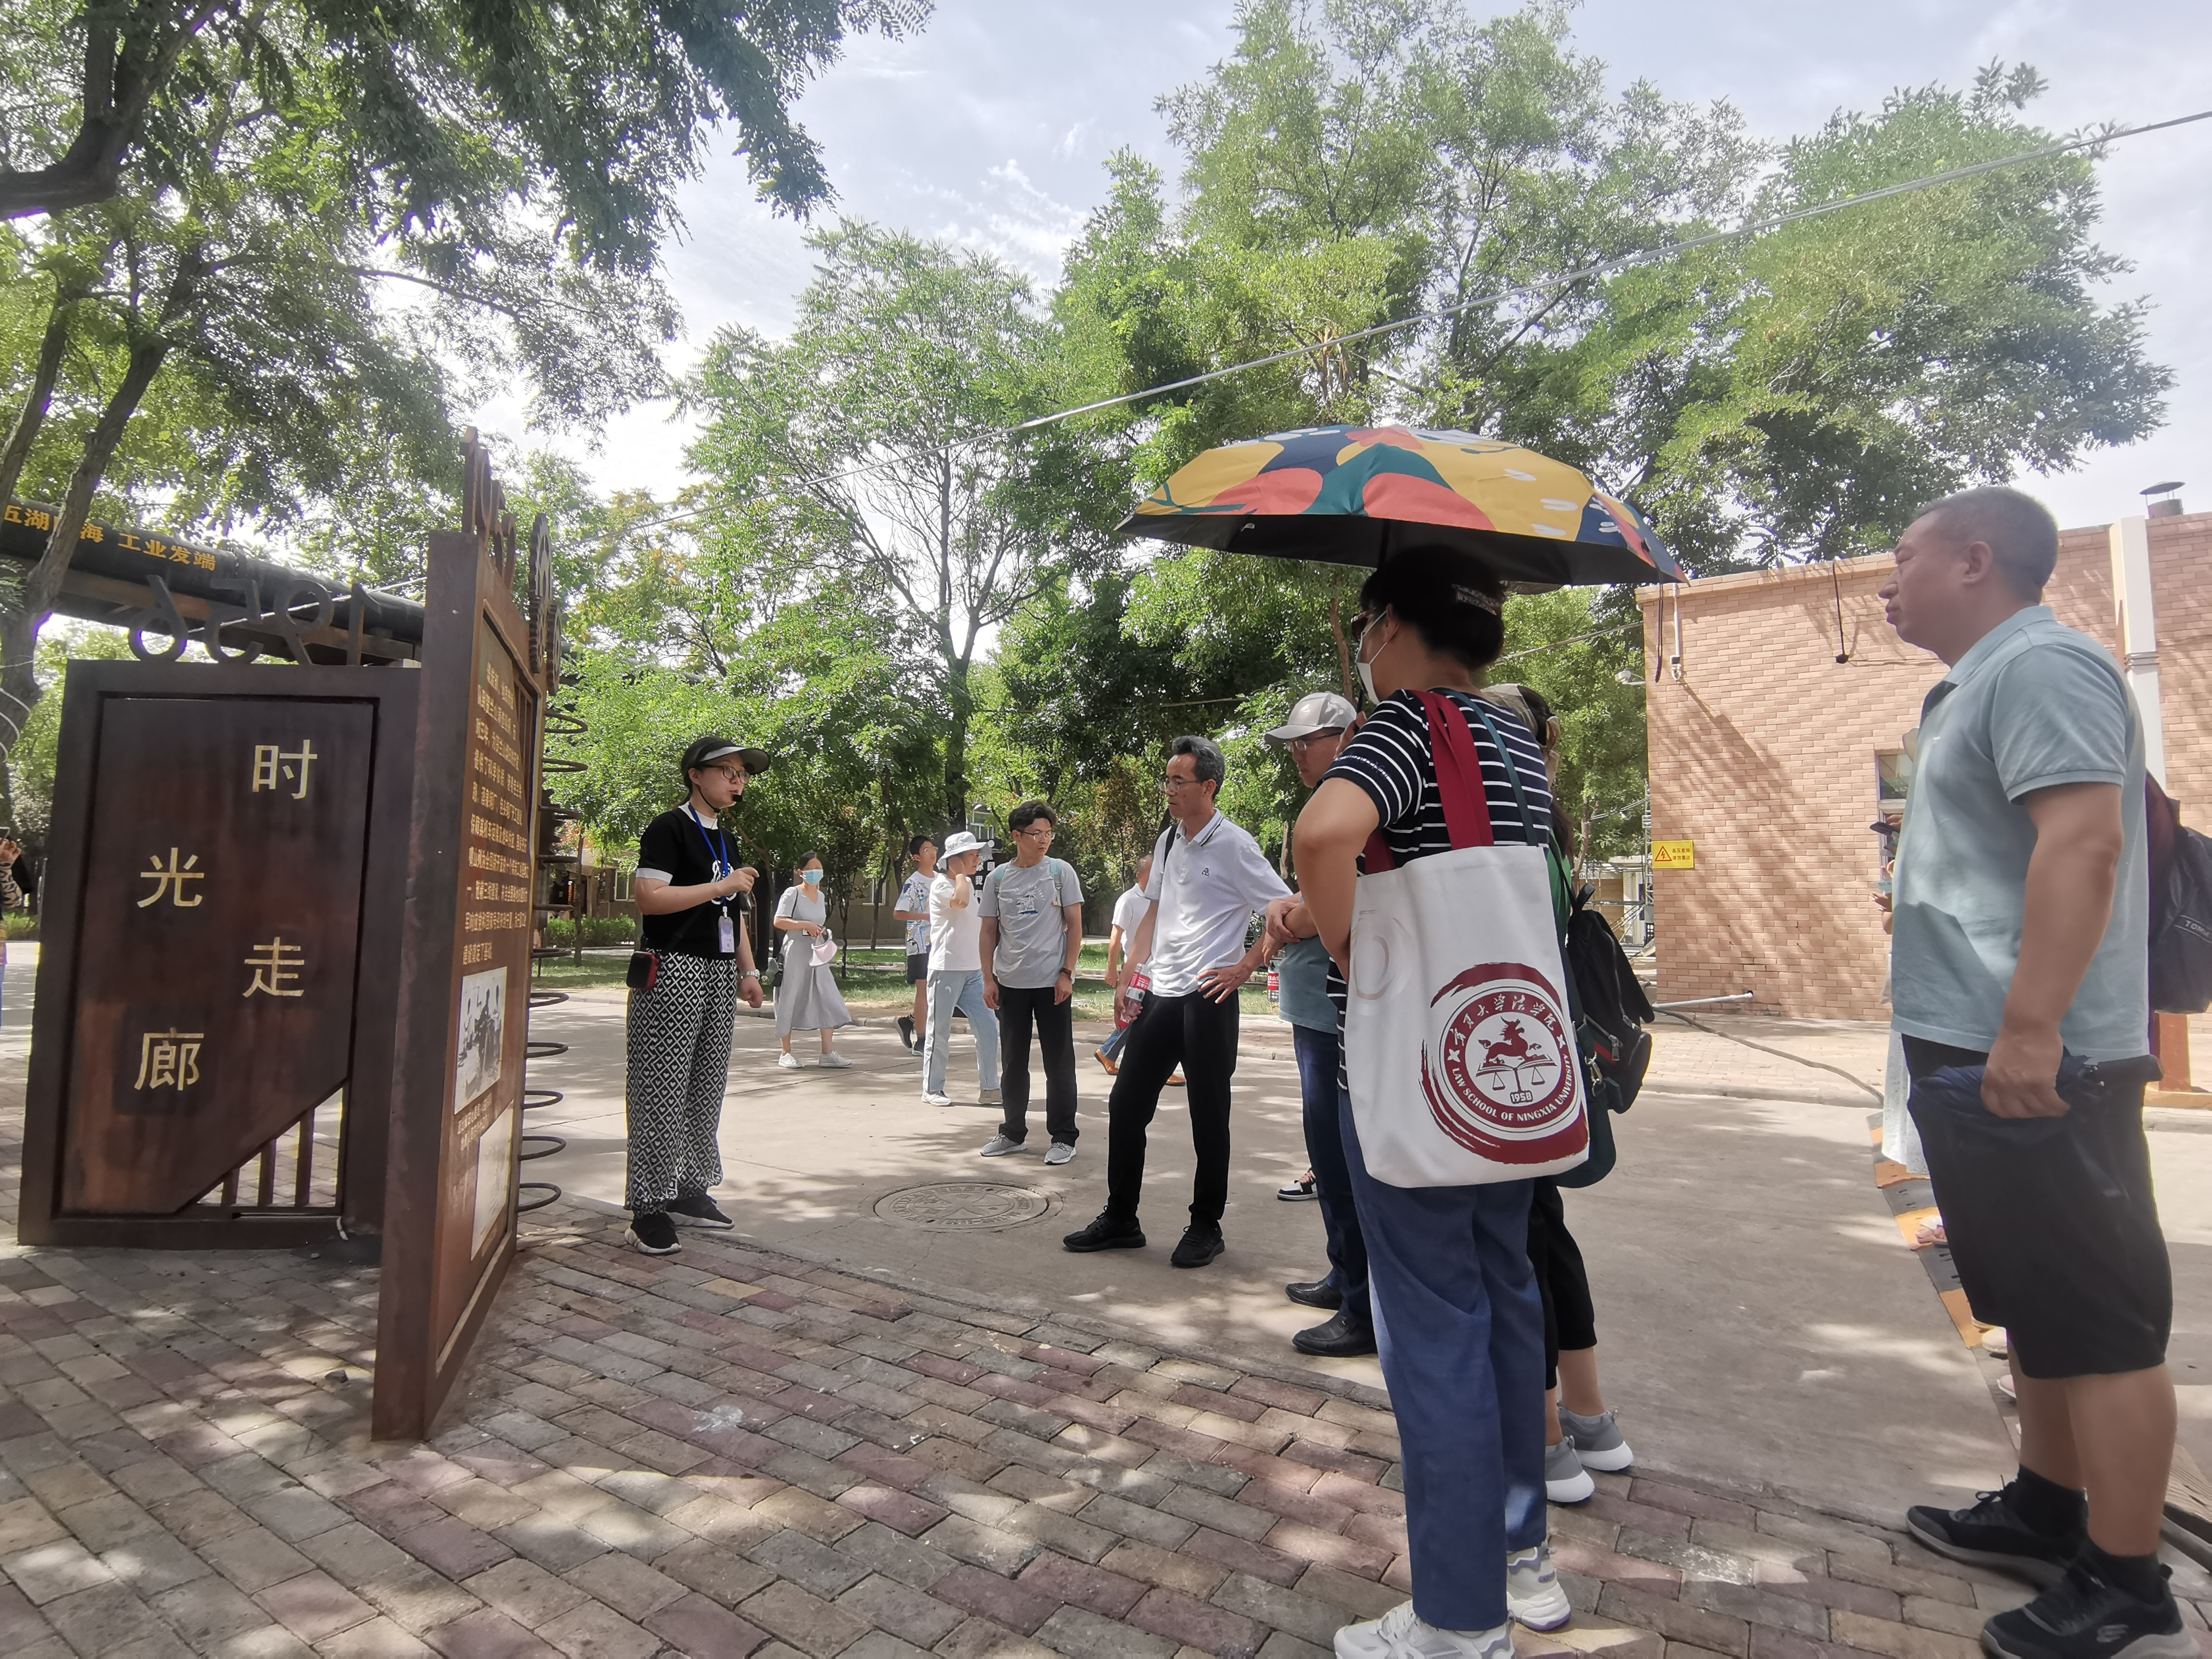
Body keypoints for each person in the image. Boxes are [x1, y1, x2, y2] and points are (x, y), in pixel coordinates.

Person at [1879, 487, 2183, 1659]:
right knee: (2034, 1297)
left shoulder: (2045, 667)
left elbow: (2085, 841)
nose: (1890, 581)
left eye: (1904, 556)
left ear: (1975, 560)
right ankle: (2047, 1503)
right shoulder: (1974, 684)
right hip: (1974, 1043)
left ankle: (2128, 1578)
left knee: (2099, 1315)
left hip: (2045, 1058)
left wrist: (2031, 1029)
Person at [1292, 548, 1569, 1656]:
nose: (1364, 647)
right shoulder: (1515, 737)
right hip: (1508, 1079)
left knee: (1435, 1330)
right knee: (1506, 1299)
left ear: (1396, 626)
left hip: (1418, 1074)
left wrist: (1345, 942)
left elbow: (1324, 834)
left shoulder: (1406, 724)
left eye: (1367, 626)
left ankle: (1458, 1618)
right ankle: (1521, 1557)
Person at [1479, 681, 1636, 1506]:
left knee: (1517, 1249)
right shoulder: (1548, 827)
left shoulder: (1506, 833)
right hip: (1550, 1063)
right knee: (1547, 1234)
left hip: (1513, 1071)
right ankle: (1590, 1416)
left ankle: (1544, 1442)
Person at [1062, 735, 1289, 1269]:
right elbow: (1154, 912)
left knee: (1208, 1117)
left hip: (1208, 998)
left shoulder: (1235, 845)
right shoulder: (1169, 840)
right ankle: (1122, 1218)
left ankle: (1206, 1226)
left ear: (1208, 787)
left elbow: (1284, 910)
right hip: (1161, 995)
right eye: (1166, 780)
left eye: (1178, 781)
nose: (1168, 789)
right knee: (1126, 1105)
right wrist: (1129, 978)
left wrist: (1245, 967)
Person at [1256, 690, 1373, 1358]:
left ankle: (1362, 1305)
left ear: (1347, 736)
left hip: (1339, 1016)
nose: (1298, 754)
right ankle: (1343, 1273)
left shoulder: (1354, 799)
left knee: (1341, 1154)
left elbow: (1335, 902)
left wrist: (1290, 916)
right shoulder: (1336, 799)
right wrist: (1292, 909)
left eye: (1309, 741)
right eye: (1294, 744)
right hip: (1316, 1012)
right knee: (1326, 1155)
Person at [624, 736, 768, 1255]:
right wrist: (719, 886)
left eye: (742, 774)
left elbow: (733, 915)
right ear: (695, 775)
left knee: (706, 1085)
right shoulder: (669, 828)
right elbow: (649, 897)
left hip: (719, 971)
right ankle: (648, 1208)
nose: (737, 781)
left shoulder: (726, 841)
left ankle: (689, 1188)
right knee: (660, 1088)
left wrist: (748, 971)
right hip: (673, 968)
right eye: (727, 771)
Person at [978, 801, 1085, 1164]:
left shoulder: (1060, 872)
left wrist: (1067, 973)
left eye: (1048, 833)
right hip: (1010, 984)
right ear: (1016, 836)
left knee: (1059, 1064)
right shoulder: (998, 879)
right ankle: (1012, 1133)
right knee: (1013, 1063)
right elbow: (989, 931)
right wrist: (988, 978)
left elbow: (1075, 926)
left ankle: (1064, 1137)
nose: (1044, 840)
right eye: (1036, 833)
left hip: (1052, 983)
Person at [924, 830, 1001, 1108]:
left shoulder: (965, 883)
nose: (978, 860)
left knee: (989, 1027)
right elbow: (960, 903)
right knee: (940, 1031)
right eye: (972, 855)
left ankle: (990, 1088)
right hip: (946, 969)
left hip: (973, 972)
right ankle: (933, 1089)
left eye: (978, 855)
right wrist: (958, 874)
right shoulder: (942, 885)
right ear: (955, 859)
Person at [772, 854, 853, 1068]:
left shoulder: (821, 895)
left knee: (827, 996)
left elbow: (817, 922)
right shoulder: (793, 893)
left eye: (819, 867)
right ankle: (786, 1052)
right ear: (801, 872)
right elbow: (779, 921)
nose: (816, 872)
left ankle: (827, 1053)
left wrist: (820, 931)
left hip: (816, 953)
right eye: (811, 868)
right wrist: (805, 925)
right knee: (789, 997)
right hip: (796, 952)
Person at [1095, 853, 1153, 1075]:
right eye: (1152, 872)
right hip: (1136, 971)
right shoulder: (1128, 900)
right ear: (1140, 875)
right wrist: (1112, 970)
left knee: (1147, 1017)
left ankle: (1109, 1052)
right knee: (1137, 1016)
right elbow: (1116, 937)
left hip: (1158, 969)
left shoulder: (1161, 899)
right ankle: (1109, 1052)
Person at [894, 835, 937, 1053]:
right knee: (923, 988)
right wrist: (926, 917)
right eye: (926, 849)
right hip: (920, 943)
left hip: (941, 942)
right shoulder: (914, 883)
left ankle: (909, 1021)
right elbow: (899, 913)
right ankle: (921, 1041)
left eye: (933, 848)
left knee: (935, 991)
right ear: (917, 857)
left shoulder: (942, 880)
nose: (932, 852)